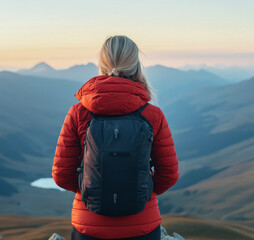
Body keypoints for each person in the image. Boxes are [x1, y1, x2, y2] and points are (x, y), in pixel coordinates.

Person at [52, 35, 179, 240]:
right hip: (143, 226)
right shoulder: (152, 115)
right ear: (136, 66)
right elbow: (169, 174)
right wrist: (141, 189)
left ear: (101, 65)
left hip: (89, 227)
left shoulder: (79, 113)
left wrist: (91, 188)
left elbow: (61, 174)